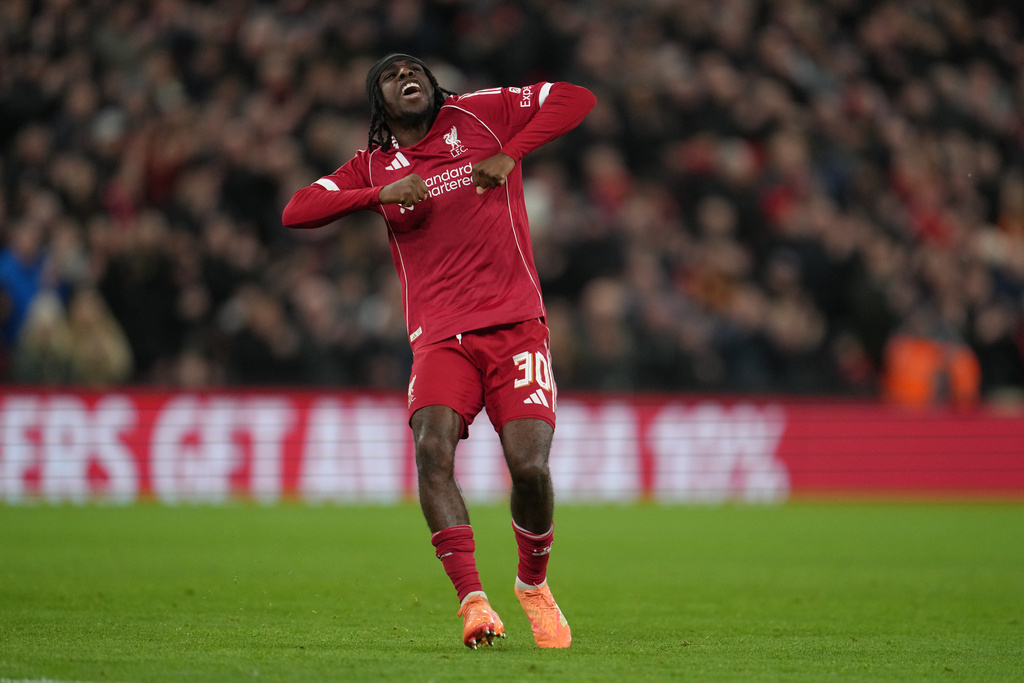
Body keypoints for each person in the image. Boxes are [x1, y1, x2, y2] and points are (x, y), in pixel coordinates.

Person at [283, 53, 594, 649]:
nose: (408, 76)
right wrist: (377, 194)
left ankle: (533, 585)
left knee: (529, 466)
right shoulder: (371, 165)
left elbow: (576, 97)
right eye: (392, 74)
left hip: (516, 326)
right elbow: (296, 209)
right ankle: (473, 601)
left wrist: (512, 151)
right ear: (380, 101)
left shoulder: (480, 117)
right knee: (432, 449)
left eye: (416, 70)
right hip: (440, 338)